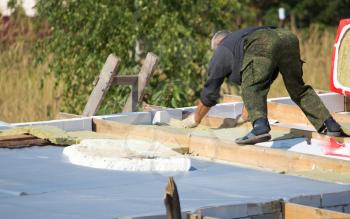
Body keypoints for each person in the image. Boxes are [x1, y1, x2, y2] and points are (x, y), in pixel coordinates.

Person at [182, 26, 343, 144]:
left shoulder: (221, 51)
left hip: (265, 41)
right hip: (288, 37)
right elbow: (261, 79)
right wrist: (244, 117)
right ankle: (330, 124)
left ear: (217, 46)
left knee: (251, 87)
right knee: (298, 89)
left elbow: (210, 93)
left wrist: (195, 119)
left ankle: (260, 128)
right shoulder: (240, 40)